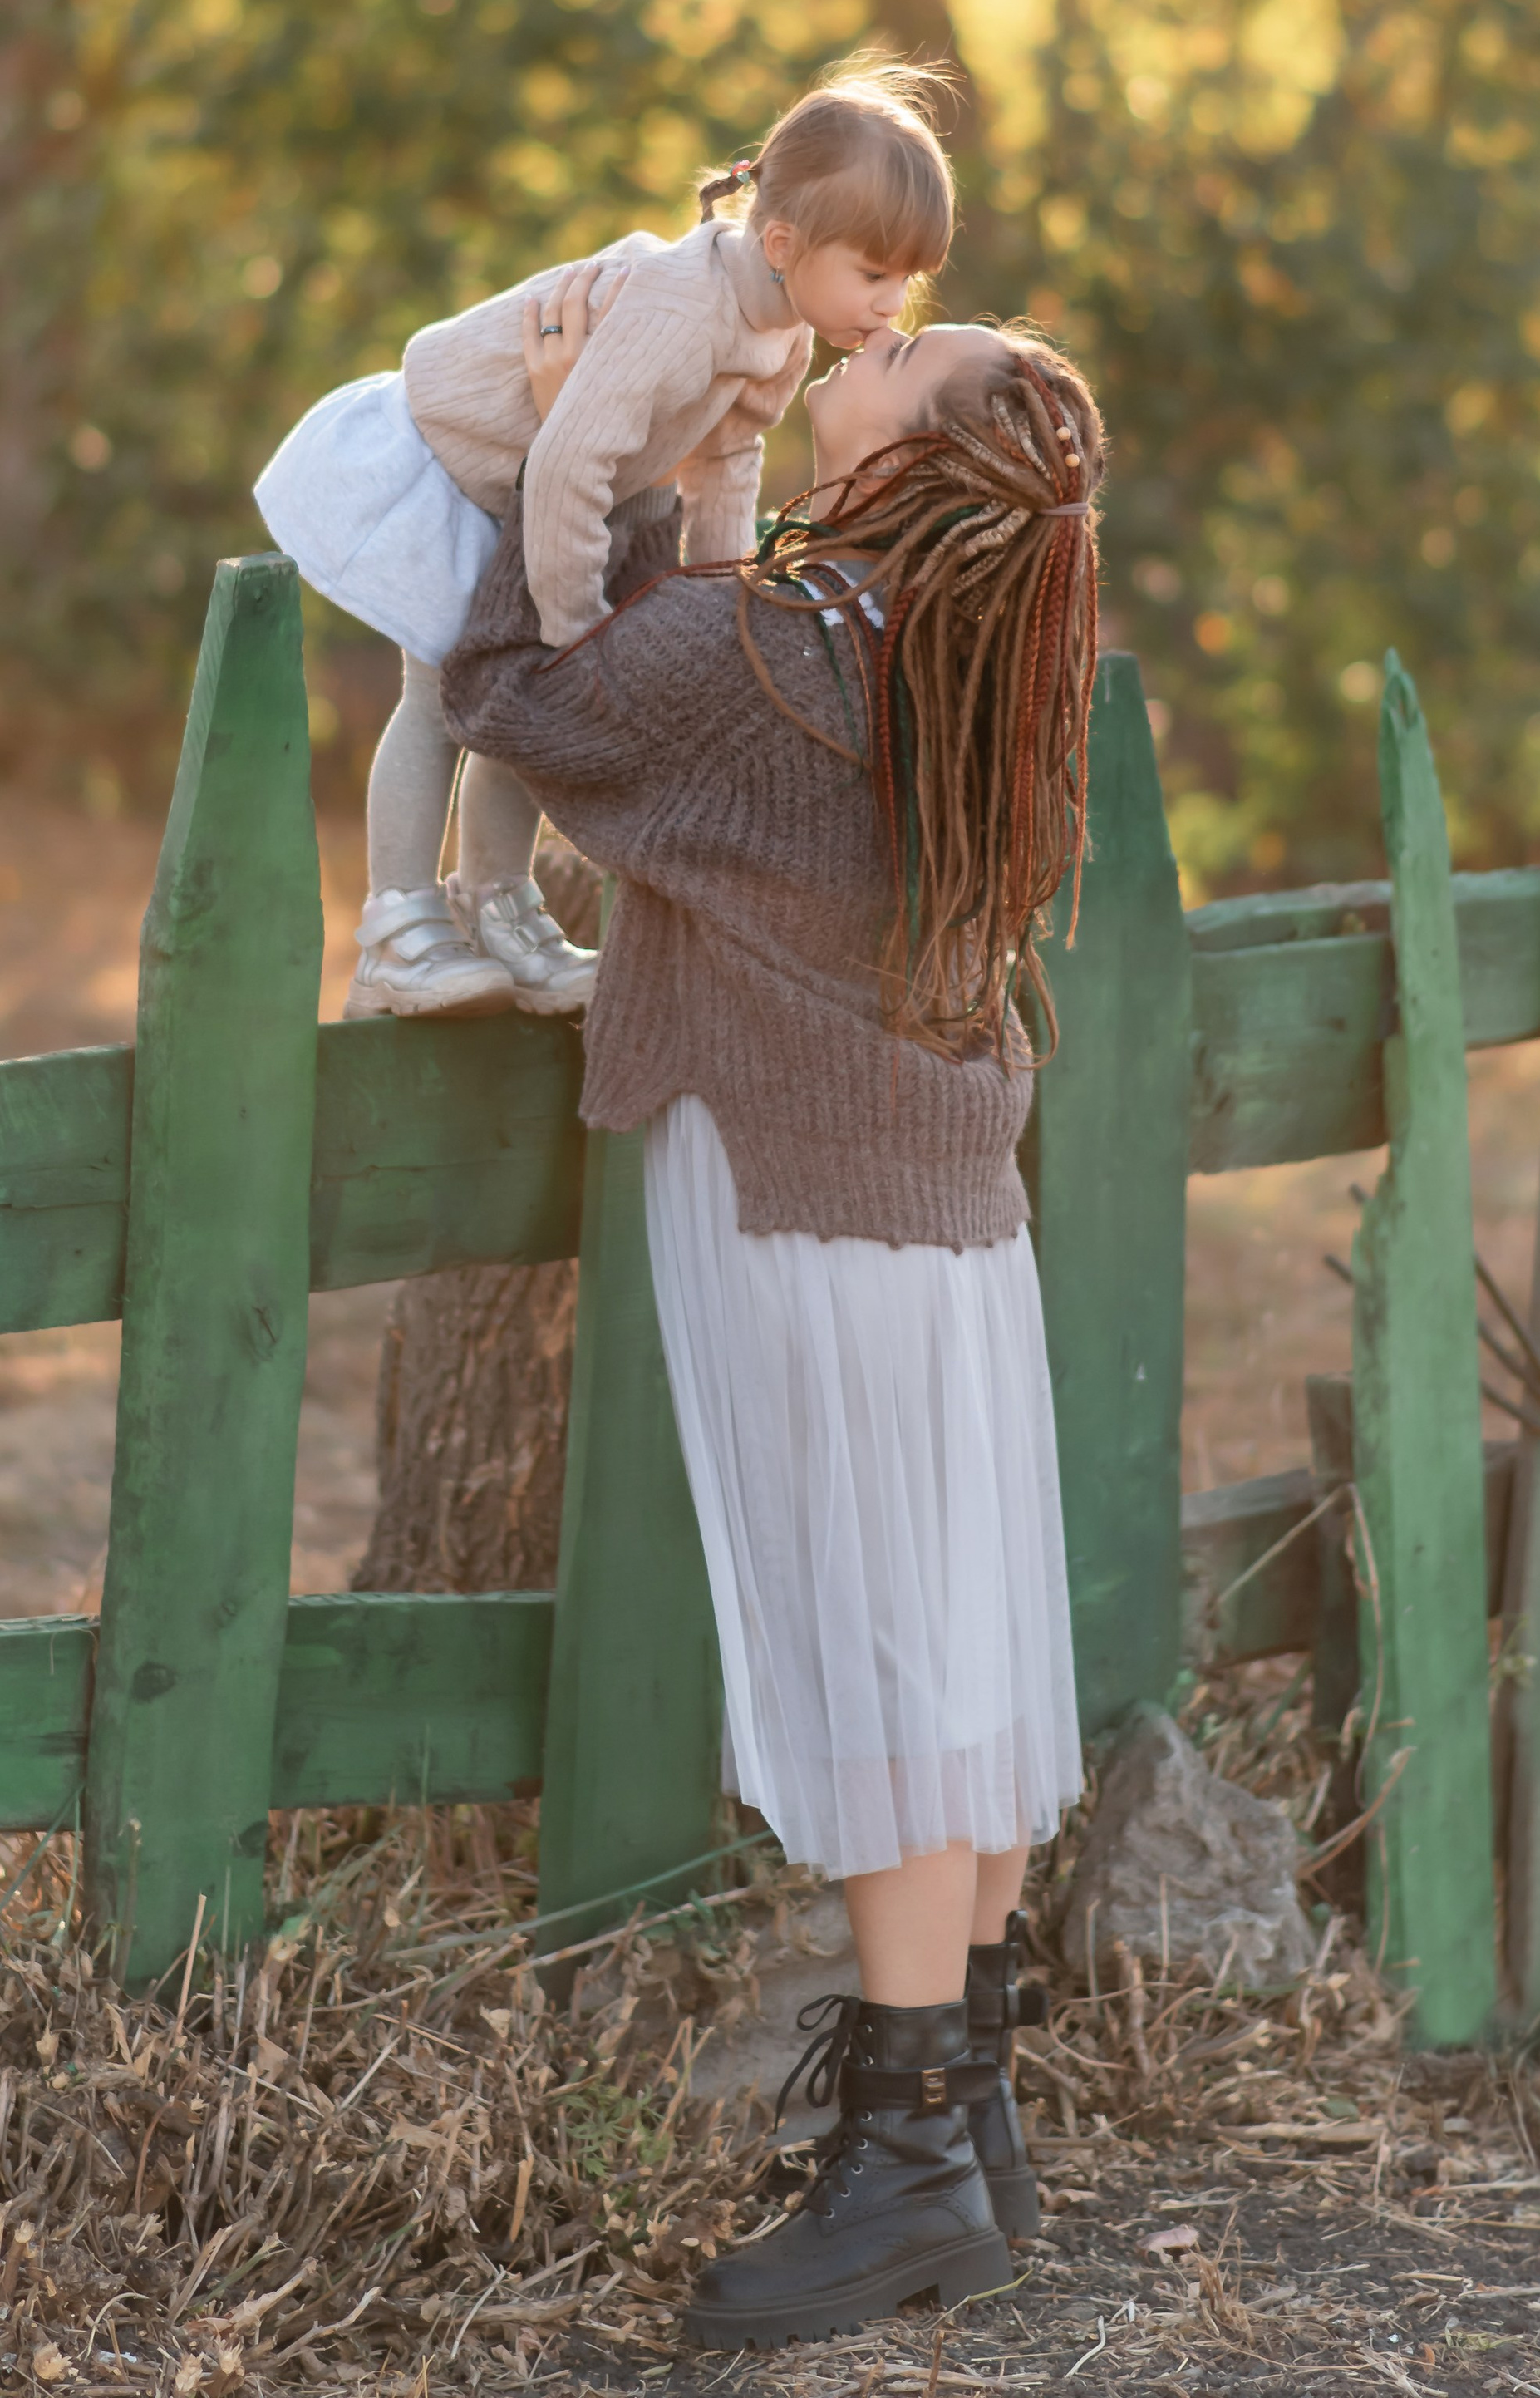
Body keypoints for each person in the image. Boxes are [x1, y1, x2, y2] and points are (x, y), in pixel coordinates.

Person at [442, 300, 1103, 2353]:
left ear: (921, 451)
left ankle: (905, 2164)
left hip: (799, 1199)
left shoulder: (766, 655)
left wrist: (570, 443)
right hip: (944, 1205)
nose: (873, 338)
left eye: (916, 351)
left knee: (882, 1647)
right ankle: (960, 2117)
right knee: (959, 1636)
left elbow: (511, 692)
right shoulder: (970, 649)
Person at [253, 58, 955, 1021]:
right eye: (873, 273)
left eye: (907, 278)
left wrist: (714, 607)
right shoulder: (676, 304)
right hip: (447, 461)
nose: (890, 301)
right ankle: (397, 929)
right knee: (444, 693)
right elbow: (576, 461)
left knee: (524, 713)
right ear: (784, 240)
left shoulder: (782, 333)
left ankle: (498, 903)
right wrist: (577, 624)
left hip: (529, 497)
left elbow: (728, 462)